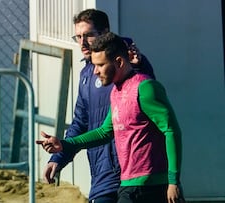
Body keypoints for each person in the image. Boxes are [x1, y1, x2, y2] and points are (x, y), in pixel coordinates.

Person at [37, 32, 184, 203]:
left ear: (119, 62)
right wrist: (64, 144)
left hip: (152, 186)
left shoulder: (145, 88)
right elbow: (104, 132)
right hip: (129, 185)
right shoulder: (116, 92)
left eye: (100, 65)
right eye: (93, 65)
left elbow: (171, 130)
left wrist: (173, 181)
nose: (95, 71)